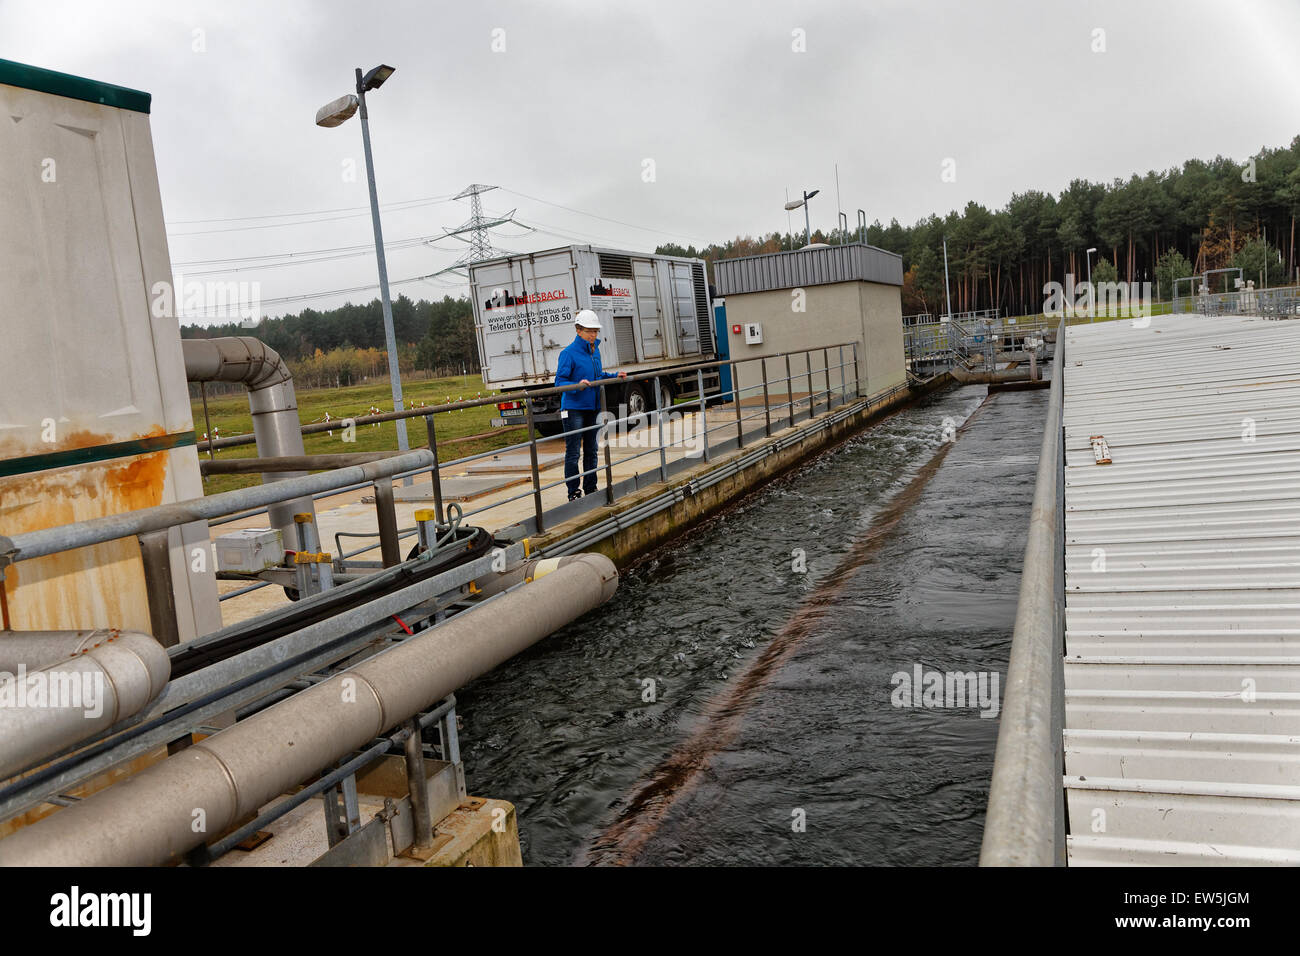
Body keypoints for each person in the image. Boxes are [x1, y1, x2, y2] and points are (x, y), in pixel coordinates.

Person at [555, 310, 625, 500]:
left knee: (592, 450)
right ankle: (574, 492)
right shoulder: (568, 354)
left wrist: (614, 376)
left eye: (595, 331)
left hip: (592, 407)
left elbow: (598, 375)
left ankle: (591, 487)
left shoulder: (595, 351)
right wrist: (578, 386)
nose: (593, 335)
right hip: (573, 409)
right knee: (573, 452)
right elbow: (559, 382)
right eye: (589, 331)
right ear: (578, 331)